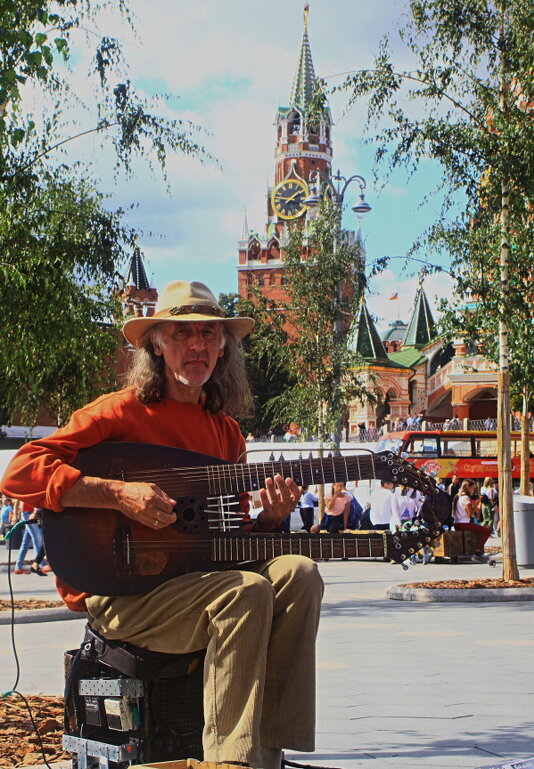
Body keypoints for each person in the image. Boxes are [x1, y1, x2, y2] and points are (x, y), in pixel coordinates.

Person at [1, 280, 324, 769]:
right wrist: (115, 493)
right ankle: (229, 763)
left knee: (299, 572)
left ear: (222, 347)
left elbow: (220, 545)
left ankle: (266, 751)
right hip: (122, 595)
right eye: (180, 334)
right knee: (245, 592)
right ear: (156, 343)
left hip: (193, 585)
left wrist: (271, 519)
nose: (196, 346)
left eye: (208, 335)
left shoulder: (226, 432)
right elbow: (20, 472)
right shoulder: (118, 412)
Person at [453, 480, 491, 562]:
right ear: (469, 488)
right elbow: (470, 514)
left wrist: (477, 503)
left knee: (479, 529)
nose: (474, 491)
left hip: (457, 523)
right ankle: (478, 552)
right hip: (464, 523)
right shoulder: (466, 498)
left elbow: (467, 510)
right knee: (487, 531)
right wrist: (476, 513)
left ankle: (475, 550)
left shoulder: (458, 496)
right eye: (473, 488)